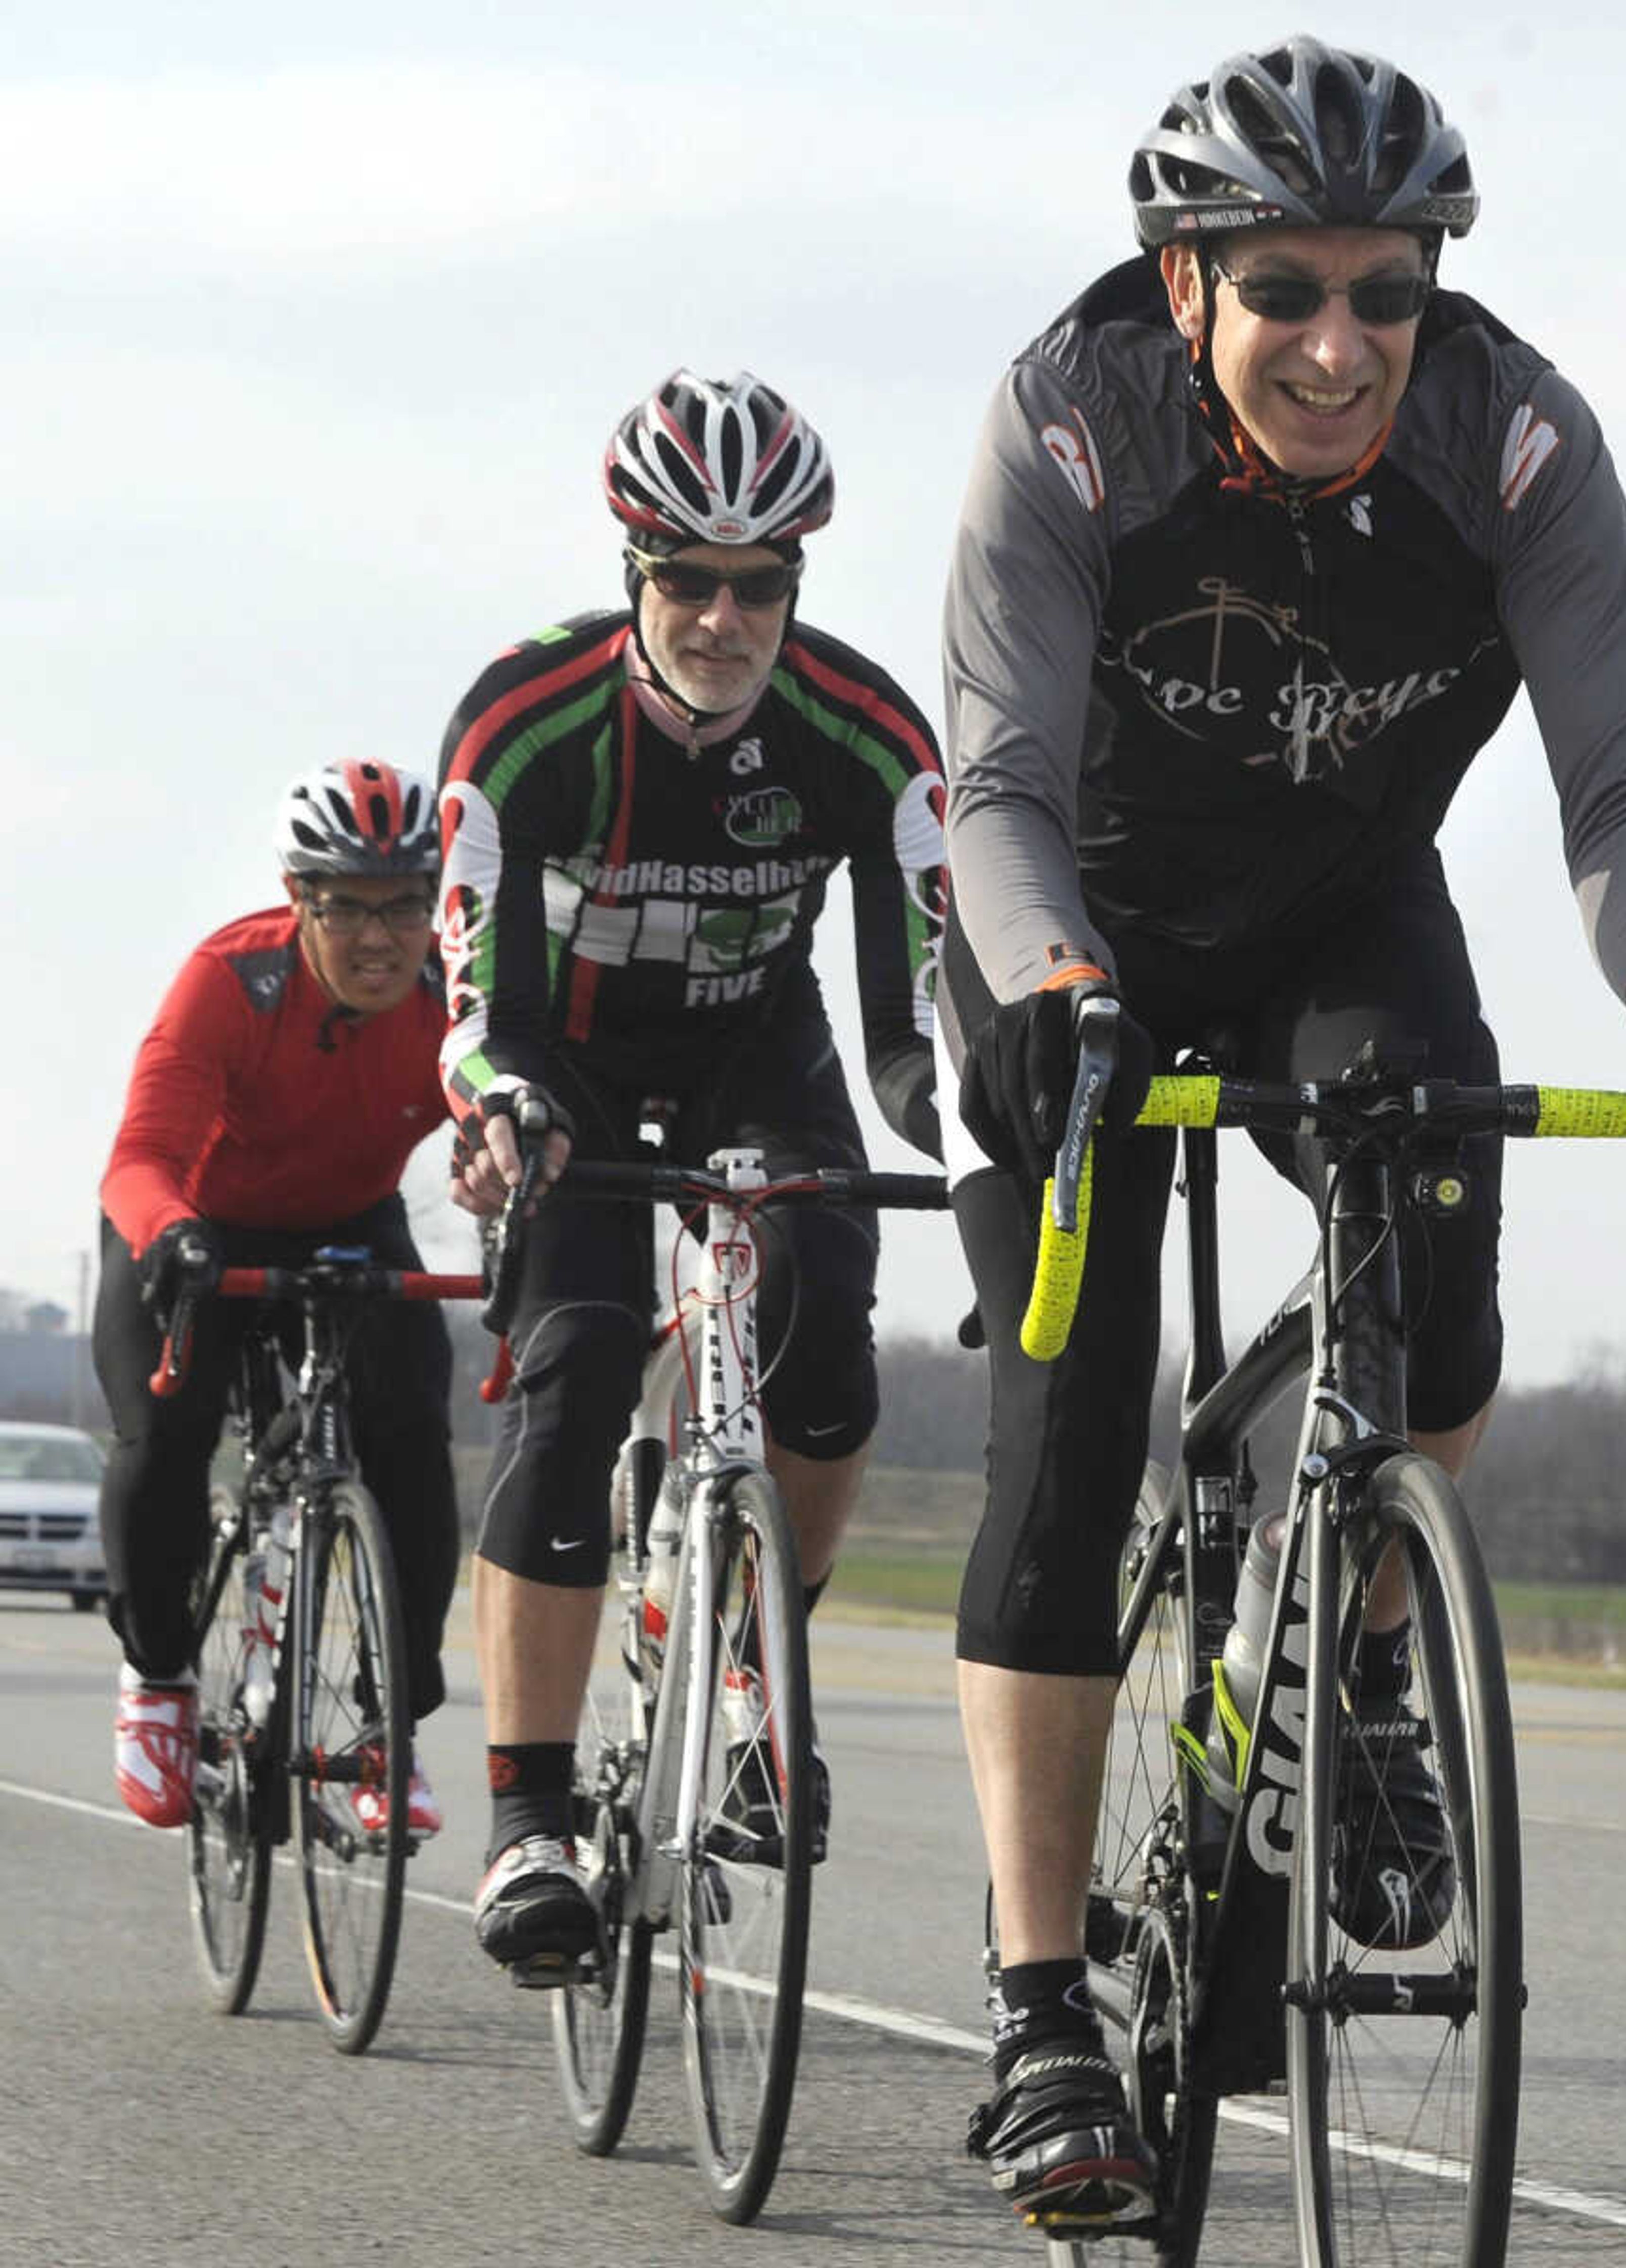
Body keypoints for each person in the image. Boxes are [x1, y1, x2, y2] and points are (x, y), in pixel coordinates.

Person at [935, 34, 1626, 2227]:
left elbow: (1622, 782)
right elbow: (999, 791)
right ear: (1185, 287)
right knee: (1067, 1427)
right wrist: (1054, 995)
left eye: (1389, 292)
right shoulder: (1067, 422)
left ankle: (1357, 1669)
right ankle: (1044, 2001)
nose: (1341, 346)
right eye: (1287, 292)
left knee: (1434, 1305)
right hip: (1080, 926)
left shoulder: (1516, 447)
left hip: (1343, 898)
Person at [438, 368, 947, 1978]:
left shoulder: (865, 735)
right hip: (564, 1054)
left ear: (797, 579)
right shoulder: (526, 726)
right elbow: (476, 1010)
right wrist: (502, 1098)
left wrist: (983, 1148)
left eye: (762, 585)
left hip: (755, 1046)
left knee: (825, 1324)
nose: (725, 619)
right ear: (631, 570)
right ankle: (525, 1818)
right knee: (577, 1360)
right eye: (688, 581)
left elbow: (921, 1017)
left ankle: (748, 1667)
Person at [96, 760, 460, 1837]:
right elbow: (138, 1156)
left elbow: (505, 1116)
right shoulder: (232, 981)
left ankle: (387, 1730)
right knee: (163, 1435)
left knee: (410, 1442)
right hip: (199, 1223)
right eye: (346, 904)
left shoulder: (453, 990)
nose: (379, 935)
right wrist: (172, 1233)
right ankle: (159, 1675)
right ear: (299, 899)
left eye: (403, 903)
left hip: (352, 1220)